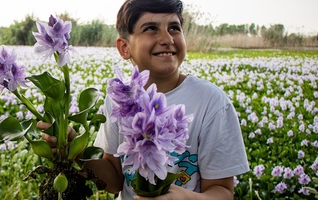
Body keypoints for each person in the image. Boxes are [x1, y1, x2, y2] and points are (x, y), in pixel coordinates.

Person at [38, 0, 250, 199]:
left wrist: (185, 197)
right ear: (124, 48)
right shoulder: (119, 99)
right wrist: (76, 147)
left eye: (174, 28)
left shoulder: (211, 102)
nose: (167, 38)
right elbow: (114, 181)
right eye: (151, 28)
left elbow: (222, 191)